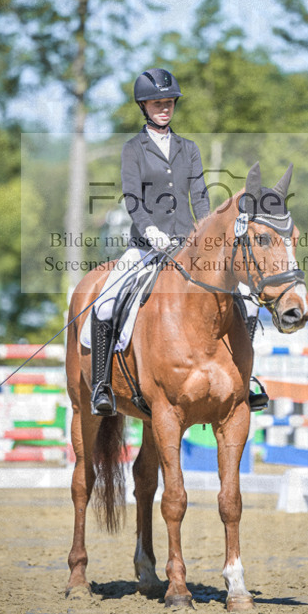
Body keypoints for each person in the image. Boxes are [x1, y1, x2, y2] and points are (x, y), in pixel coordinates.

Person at [90, 68, 210, 415]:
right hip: (145, 246)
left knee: (238, 298)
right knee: (105, 302)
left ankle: (244, 380)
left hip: (188, 247)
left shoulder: (189, 149)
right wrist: (149, 230)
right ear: (144, 106)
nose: (165, 108)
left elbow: (200, 197)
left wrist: (204, 234)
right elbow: (131, 197)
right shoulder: (134, 149)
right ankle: (102, 385)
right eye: (158, 103)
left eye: (169, 102)